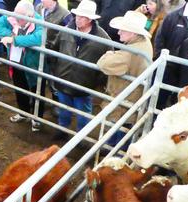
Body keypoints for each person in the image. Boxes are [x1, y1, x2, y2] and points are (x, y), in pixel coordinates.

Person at [50, 0, 111, 139]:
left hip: (84, 84)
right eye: (77, 15)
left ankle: (81, 137)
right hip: (63, 79)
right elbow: (54, 50)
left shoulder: (103, 38)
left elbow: (107, 62)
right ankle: (62, 128)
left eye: (83, 17)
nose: (78, 19)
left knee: (83, 113)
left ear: (90, 19)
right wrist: (57, 71)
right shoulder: (65, 31)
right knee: (64, 108)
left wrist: (94, 81)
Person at [97, 10, 153, 146]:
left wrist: (109, 53)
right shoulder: (144, 43)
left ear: (133, 33)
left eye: (123, 30)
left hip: (124, 99)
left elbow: (102, 64)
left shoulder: (130, 52)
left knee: (119, 133)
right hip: (132, 97)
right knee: (122, 131)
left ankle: (114, 155)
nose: (118, 33)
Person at [0, 0, 45, 132]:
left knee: (37, 92)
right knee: (20, 87)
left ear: (30, 16)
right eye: (16, 15)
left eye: (20, 17)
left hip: (34, 64)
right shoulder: (13, 16)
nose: (16, 19)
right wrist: (11, 34)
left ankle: (37, 119)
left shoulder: (39, 22)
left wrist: (14, 40)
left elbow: (39, 38)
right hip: (16, 60)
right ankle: (23, 112)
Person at [35, 0, 72, 116]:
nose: (41, 0)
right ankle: (37, 98)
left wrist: (57, 47)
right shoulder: (38, 7)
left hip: (53, 50)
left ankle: (56, 104)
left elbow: (69, 34)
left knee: (53, 78)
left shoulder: (65, 14)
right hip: (38, 47)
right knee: (37, 74)